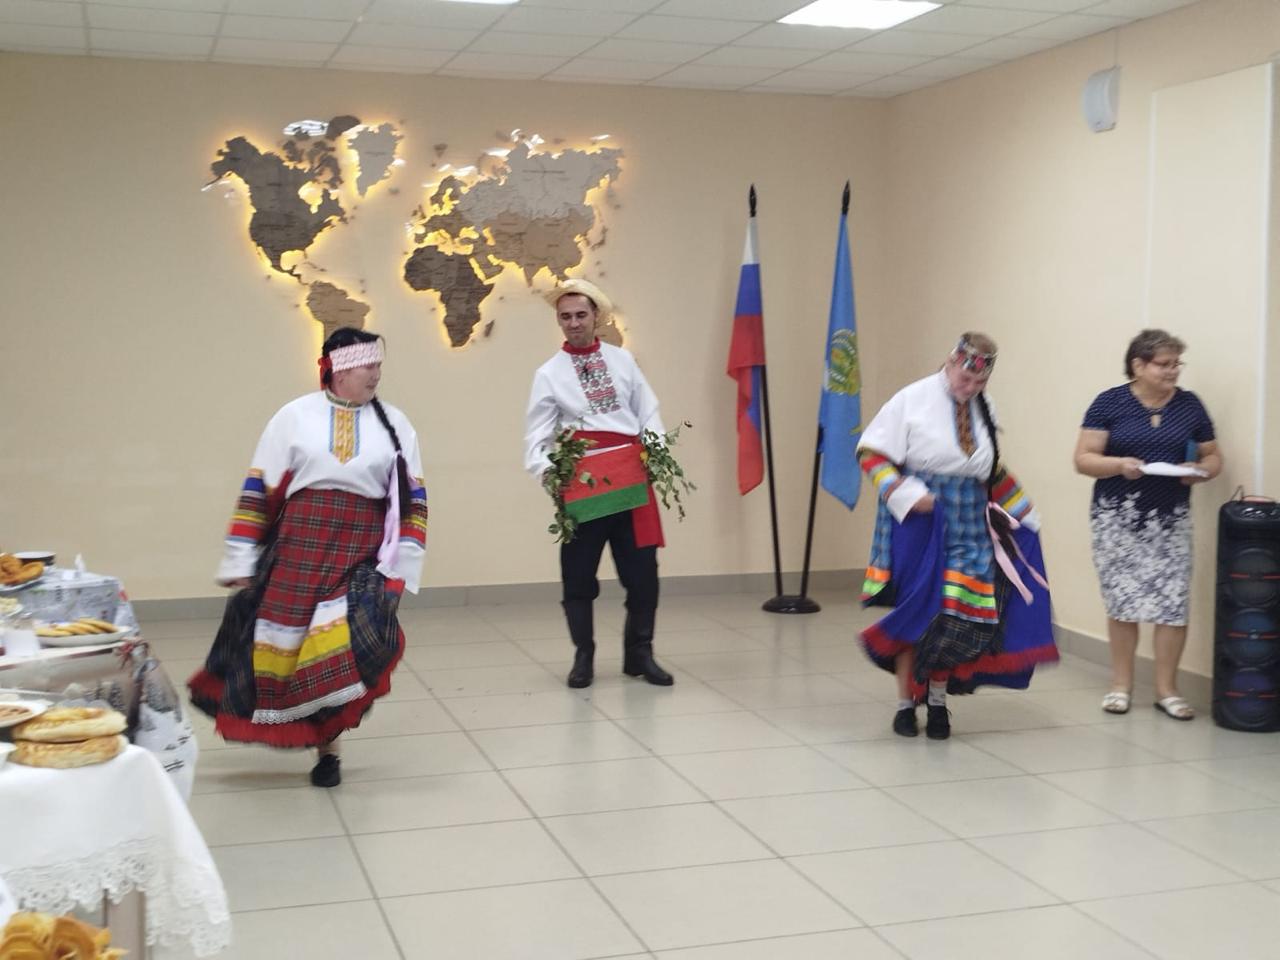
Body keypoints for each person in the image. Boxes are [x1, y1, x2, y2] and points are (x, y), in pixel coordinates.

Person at [189, 328, 428, 787]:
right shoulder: (294, 417)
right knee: (294, 650)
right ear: (339, 369)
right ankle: (325, 751)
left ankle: (329, 742)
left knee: (347, 644)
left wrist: (404, 561)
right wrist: (240, 556)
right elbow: (259, 486)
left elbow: (413, 495)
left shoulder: (396, 424)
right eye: (368, 365)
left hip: (360, 550)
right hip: (299, 547)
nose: (376, 374)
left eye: (378, 365)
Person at [857, 333, 1058, 739]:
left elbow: (991, 471)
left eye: (979, 382)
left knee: (958, 616)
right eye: (965, 378)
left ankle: (937, 701)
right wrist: (906, 494)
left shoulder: (985, 407)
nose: (970, 388)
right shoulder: (911, 399)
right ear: (950, 363)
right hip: (921, 524)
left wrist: (1025, 512)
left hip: (969, 524)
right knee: (920, 613)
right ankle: (904, 706)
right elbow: (871, 453)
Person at [524, 278, 674, 689]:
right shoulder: (548, 374)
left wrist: (655, 452)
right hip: (583, 484)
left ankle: (640, 653)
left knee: (643, 573)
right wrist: (550, 475)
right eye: (565, 317)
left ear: (596, 316)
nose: (573, 323)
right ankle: (583, 655)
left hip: (630, 480)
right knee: (578, 575)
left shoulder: (622, 361)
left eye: (580, 315)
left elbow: (648, 410)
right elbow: (537, 437)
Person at [1074, 329, 1220, 720]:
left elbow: (1213, 457)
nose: (1173, 371)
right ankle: (1120, 686)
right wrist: (1118, 465)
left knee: (1173, 604)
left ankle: (1167, 690)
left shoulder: (1190, 406)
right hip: (1117, 518)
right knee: (1122, 602)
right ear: (1138, 365)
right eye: (1164, 364)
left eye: (1177, 364)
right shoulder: (1109, 402)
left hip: (1171, 520)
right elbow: (1084, 459)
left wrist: (1199, 471)